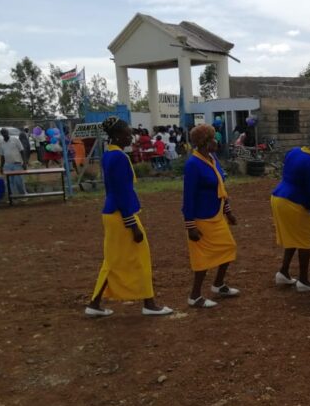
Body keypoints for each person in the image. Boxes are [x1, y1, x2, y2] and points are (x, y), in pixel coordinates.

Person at [86, 117, 172, 318]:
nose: (130, 137)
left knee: (113, 260)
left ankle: (95, 303)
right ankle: (149, 304)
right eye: (127, 133)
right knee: (139, 257)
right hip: (121, 215)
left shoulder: (109, 155)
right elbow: (122, 192)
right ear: (117, 135)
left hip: (114, 213)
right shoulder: (119, 158)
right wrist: (132, 224)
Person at [183, 124, 240, 309]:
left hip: (217, 215)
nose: (217, 141)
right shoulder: (193, 164)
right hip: (202, 218)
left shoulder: (212, 158)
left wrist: (228, 211)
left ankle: (218, 284)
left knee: (228, 248)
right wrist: (190, 225)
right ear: (205, 142)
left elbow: (221, 188)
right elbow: (188, 196)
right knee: (203, 259)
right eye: (213, 138)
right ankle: (195, 296)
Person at [270, 126, 310, 292]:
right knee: (304, 241)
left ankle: (284, 272)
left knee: (293, 237)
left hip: (278, 196)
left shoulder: (295, 151)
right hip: (292, 202)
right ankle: (303, 280)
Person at [0, 128, 27, 196]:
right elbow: (2, 156)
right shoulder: (1, 142)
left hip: (17, 164)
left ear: (8, 132)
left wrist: (24, 162)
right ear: (1, 134)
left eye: (6, 132)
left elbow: (22, 151)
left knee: (18, 181)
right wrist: (1, 166)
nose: (5, 134)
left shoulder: (15, 139)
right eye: (3, 133)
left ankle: (23, 195)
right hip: (7, 165)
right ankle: (12, 197)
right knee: (9, 182)